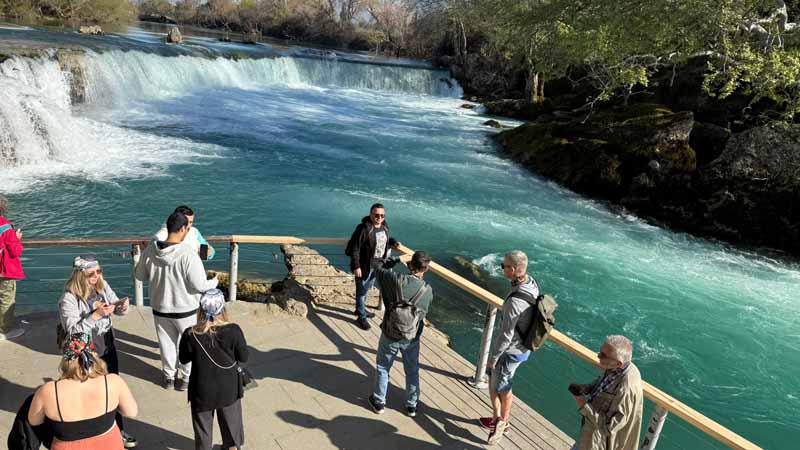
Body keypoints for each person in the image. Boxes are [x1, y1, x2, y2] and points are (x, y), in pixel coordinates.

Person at [58, 256, 137, 448]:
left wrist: (121, 307)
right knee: (90, 392)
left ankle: (118, 430)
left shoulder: (102, 286)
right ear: (80, 275)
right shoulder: (68, 299)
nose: (96, 276)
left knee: (111, 389)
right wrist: (95, 316)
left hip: (107, 345)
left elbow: (114, 307)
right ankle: (91, 432)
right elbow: (73, 332)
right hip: (84, 353)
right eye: (91, 273)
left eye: (99, 271)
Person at [136, 211, 219, 391]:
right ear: (182, 229)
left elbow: (140, 275)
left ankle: (169, 378)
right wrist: (214, 281)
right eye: (187, 228)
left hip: (160, 307)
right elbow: (199, 285)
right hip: (186, 309)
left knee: (166, 344)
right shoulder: (187, 254)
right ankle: (186, 379)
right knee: (189, 344)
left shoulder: (150, 250)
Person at [27, 332, 138, 450]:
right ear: (94, 354)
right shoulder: (112, 382)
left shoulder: (48, 391)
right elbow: (131, 412)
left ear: (65, 357)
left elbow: (34, 421)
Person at [479, 250, 540, 445]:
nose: (501, 268)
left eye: (503, 266)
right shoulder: (531, 283)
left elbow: (506, 335)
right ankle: (500, 420)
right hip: (524, 347)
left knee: (500, 386)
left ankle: (501, 422)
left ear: (513, 269)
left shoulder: (515, 301)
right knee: (501, 384)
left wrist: (492, 359)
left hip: (511, 351)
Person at [179, 289, 248, 450]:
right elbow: (244, 357)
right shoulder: (234, 330)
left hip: (201, 389)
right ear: (222, 309)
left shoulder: (190, 334)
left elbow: (184, 359)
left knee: (203, 429)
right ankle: (231, 447)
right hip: (229, 386)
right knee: (232, 423)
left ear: (201, 309)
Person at [368, 251, 433, 418]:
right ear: (426, 269)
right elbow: (422, 315)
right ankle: (411, 405)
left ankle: (379, 402)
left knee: (383, 367)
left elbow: (376, 265)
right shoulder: (427, 290)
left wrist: (397, 259)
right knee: (412, 370)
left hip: (390, 332)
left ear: (410, 265)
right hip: (412, 337)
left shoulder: (394, 279)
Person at [569, 335, 643, 450]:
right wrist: (586, 388)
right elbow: (605, 382)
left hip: (599, 442)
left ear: (618, 363)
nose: (598, 356)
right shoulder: (620, 367)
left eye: (603, 355)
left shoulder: (625, 389)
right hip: (591, 431)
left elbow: (609, 427)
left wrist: (583, 405)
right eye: (600, 351)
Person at [347, 203, 399, 330]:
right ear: (370, 214)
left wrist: (394, 242)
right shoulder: (364, 229)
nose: (379, 217)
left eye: (382, 215)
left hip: (377, 266)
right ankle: (361, 317)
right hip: (364, 266)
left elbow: (384, 240)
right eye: (376, 215)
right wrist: (356, 266)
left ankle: (361, 309)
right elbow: (355, 248)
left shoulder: (384, 226)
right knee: (361, 291)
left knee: (366, 289)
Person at [0, 194, 25, 341]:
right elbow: (16, 251)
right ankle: (4, 330)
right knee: (6, 299)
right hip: (3, 271)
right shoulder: (5, 226)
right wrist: (17, 239)